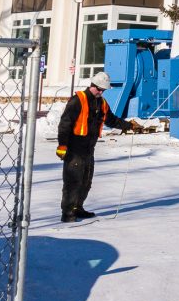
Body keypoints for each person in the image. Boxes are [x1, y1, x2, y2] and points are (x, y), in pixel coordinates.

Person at [56, 72, 133, 222]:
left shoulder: (102, 103)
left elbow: (111, 120)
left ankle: (78, 207)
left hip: (89, 149)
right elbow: (65, 124)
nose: (101, 92)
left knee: (86, 181)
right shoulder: (78, 100)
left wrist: (128, 125)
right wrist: (62, 145)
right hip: (74, 149)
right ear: (93, 86)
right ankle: (68, 212)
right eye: (100, 90)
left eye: (103, 90)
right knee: (73, 181)